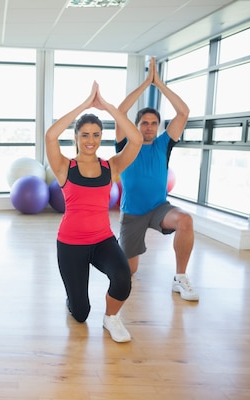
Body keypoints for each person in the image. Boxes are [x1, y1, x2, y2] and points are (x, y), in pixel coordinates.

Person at [45, 82, 142, 343]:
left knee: (123, 278)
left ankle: (111, 318)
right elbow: (50, 136)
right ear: (76, 137)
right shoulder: (65, 167)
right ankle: (73, 297)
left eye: (96, 135)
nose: (91, 140)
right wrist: (84, 104)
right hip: (71, 244)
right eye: (85, 134)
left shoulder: (112, 166)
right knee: (80, 313)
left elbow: (137, 139)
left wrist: (108, 107)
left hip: (102, 240)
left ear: (101, 137)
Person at [115, 57, 199, 301]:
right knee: (129, 271)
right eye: (144, 123)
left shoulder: (163, 144)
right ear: (137, 125)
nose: (149, 127)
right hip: (132, 213)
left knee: (185, 220)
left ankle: (180, 278)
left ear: (159, 126)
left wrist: (159, 84)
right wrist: (145, 84)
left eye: (154, 123)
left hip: (160, 208)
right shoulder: (127, 144)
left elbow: (183, 112)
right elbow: (120, 112)